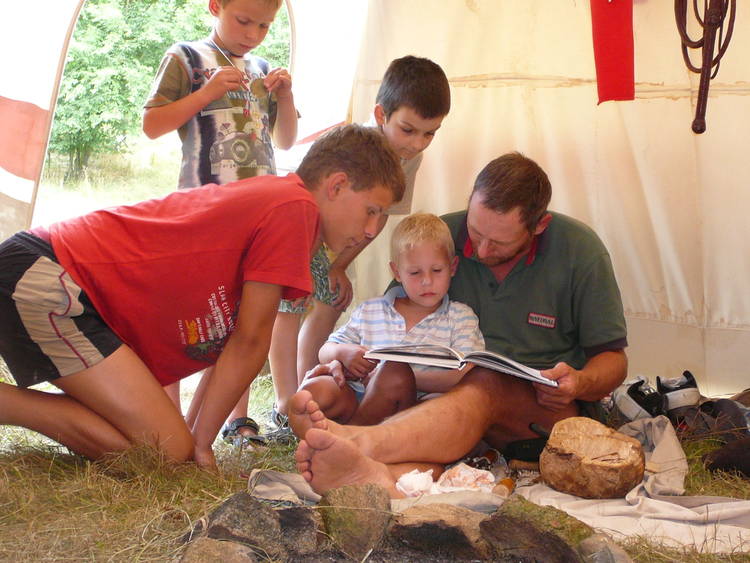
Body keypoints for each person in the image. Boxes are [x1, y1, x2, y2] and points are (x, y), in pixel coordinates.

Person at [0, 124, 404, 471]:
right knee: (166, 451)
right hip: (46, 280)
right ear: (336, 185)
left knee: (170, 450)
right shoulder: (294, 208)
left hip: (57, 283)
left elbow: (231, 343)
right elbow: (250, 341)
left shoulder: (289, 208)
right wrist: (199, 445)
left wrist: (195, 440)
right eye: (371, 210)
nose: (373, 230)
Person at [288, 152, 628, 497]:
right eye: (475, 232)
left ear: (539, 226)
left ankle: (357, 441)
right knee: (431, 415)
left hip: (536, 409)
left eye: (500, 243)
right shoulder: (440, 236)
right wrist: (341, 359)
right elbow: (392, 318)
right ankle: (381, 479)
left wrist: (579, 382)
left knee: (484, 383)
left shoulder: (579, 251)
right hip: (445, 409)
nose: (481, 250)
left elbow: (614, 361)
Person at [267, 56, 451, 435]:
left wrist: (338, 265)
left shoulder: (409, 157)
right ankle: (286, 404)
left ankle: (312, 393)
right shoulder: (356, 147)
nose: (417, 144)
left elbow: (376, 220)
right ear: (381, 114)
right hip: (302, 229)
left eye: (429, 134)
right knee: (289, 309)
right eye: (408, 130)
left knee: (330, 303)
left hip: (336, 244)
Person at [142, 0, 298, 439]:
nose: (252, 34)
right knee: (181, 313)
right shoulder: (186, 57)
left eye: (264, 26)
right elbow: (151, 124)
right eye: (243, 21)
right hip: (201, 212)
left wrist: (285, 96)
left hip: (255, 217)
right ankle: (167, 422)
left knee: (242, 318)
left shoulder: (261, 70)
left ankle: (230, 419)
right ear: (215, 6)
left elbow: (285, 140)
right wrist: (205, 94)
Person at [298, 213, 484, 425]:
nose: (427, 281)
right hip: (358, 397)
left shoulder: (460, 317)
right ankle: (324, 429)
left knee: (395, 374)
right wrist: (342, 353)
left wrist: (400, 377)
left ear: (453, 267)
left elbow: (467, 377)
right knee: (318, 390)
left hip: (415, 410)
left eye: (437, 270)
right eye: (415, 272)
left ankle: (352, 436)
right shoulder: (371, 310)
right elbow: (324, 351)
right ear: (396, 272)